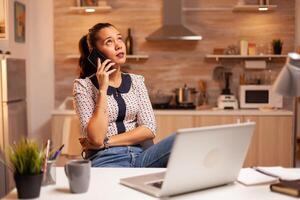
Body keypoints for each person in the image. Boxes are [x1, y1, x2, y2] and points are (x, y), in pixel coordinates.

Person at [73, 23, 175, 167]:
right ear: (96, 53)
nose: (119, 45)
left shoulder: (136, 81)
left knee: (180, 140)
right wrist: (102, 89)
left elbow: (149, 128)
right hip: (107, 159)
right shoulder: (83, 86)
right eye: (109, 41)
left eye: (119, 39)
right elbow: (96, 138)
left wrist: (106, 141)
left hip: (143, 156)